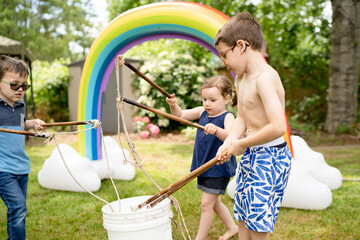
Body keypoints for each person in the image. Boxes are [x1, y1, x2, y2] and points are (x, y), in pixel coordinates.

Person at [214, 12, 292, 240]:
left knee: (258, 225)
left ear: (241, 45)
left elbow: (278, 127)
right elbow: (242, 119)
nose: (224, 62)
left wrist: (240, 144)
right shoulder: (241, 78)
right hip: (251, 154)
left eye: (224, 55)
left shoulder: (265, 78)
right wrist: (229, 143)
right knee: (243, 217)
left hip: (270, 158)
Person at [166, 75, 238, 240]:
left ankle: (200, 238)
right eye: (205, 99)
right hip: (203, 166)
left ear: (226, 99)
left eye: (213, 100)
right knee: (214, 203)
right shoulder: (202, 112)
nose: (207, 103)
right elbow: (180, 115)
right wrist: (174, 105)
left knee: (206, 204)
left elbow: (231, 136)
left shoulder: (227, 117)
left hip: (218, 167)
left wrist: (216, 130)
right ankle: (232, 227)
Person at [0, 55, 45, 240]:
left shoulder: (20, 105)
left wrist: (32, 123)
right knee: (18, 207)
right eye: (14, 84)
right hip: (3, 169)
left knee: (19, 210)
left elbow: (20, 124)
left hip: (21, 167)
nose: (20, 89)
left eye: (24, 85)